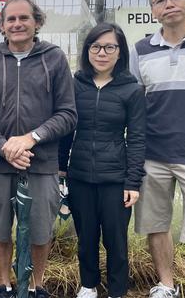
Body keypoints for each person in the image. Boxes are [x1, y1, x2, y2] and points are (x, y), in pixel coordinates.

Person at [0, 0, 77, 298]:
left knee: (41, 229)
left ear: (37, 22)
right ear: (2, 26)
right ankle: (4, 283)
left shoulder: (54, 58)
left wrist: (32, 138)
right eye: (11, 20)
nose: (17, 24)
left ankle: (35, 285)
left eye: (24, 18)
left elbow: (68, 113)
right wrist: (4, 147)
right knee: (1, 228)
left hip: (41, 162)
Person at [130, 0, 185, 298]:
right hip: (153, 155)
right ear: (153, 11)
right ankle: (166, 285)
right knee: (155, 224)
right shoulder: (140, 51)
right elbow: (134, 104)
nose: (169, 4)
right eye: (160, 1)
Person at [58, 22, 145, 298]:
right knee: (86, 237)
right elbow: (65, 130)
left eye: (110, 47)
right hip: (80, 175)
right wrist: (61, 170)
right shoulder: (75, 85)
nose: (102, 53)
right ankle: (88, 285)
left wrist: (133, 181)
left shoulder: (131, 89)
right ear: (87, 51)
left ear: (120, 52)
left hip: (116, 178)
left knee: (116, 240)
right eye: (95, 46)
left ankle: (118, 290)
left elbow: (137, 137)